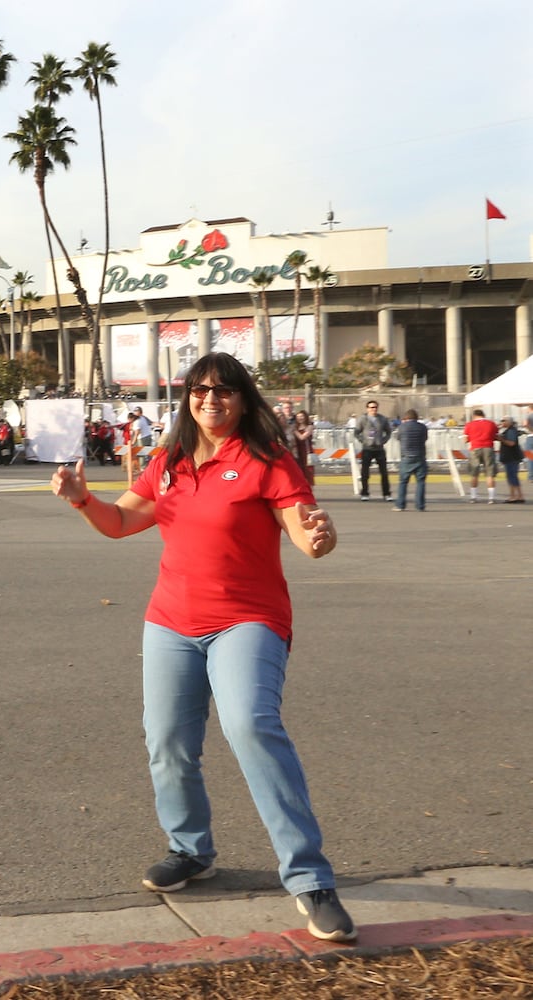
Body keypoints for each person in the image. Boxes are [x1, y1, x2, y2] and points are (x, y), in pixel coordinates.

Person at [50, 352, 355, 943]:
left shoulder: (269, 461)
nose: (209, 400)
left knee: (251, 725)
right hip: (170, 622)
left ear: (243, 399)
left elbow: (306, 537)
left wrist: (323, 536)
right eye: (199, 390)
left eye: (223, 391)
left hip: (247, 620)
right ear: (187, 397)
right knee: (166, 741)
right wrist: (84, 500)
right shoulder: (168, 462)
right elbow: (120, 524)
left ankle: (310, 879)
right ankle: (190, 850)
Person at [354, 400, 392, 502]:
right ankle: (365, 493)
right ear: (367, 409)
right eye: (371, 407)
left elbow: (388, 431)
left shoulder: (382, 419)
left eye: (375, 407)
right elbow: (357, 432)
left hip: (379, 449)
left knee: (384, 472)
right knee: (365, 472)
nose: (373, 409)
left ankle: (387, 493)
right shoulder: (362, 419)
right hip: (367, 449)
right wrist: (363, 441)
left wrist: (383, 440)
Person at [393, 408, 429, 511]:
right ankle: (420, 506)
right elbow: (425, 438)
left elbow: (398, 438)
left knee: (403, 482)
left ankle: (400, 505)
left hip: (406, 457)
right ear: (416, 418)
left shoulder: (402, 427)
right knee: (420, 481)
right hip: (420, 456)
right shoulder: (423, 427)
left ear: (406, 417)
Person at [464, 408, 500, 504]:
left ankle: (473, 496)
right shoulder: (491, 424)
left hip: (475, 448)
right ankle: (491, 497)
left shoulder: (469, 425)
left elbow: (466, 439)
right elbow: (496, 435)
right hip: (488, 447)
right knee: (490, 473)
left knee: (474, 473)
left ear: (474, 416)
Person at [497, 416, 525, 503]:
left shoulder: (511, 431)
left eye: (503, 421)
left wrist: (501, 439)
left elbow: (511, 443)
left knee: (511, 477)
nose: (502, 422)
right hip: (511, 457)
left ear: (509, 422)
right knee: (512, 477)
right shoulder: (509, 430)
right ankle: (518, 495)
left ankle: (514, 496)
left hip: (511, 457)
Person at [291, 409, 316, 486]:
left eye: (301, 416)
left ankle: (310, 490)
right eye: (298, 416)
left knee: (308, 472)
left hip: (306, 451)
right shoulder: (295, 427)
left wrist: (294, 431)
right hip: (297, 451)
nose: (300, 418)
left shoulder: (309, 426)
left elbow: (302, 437)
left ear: (305, 417)